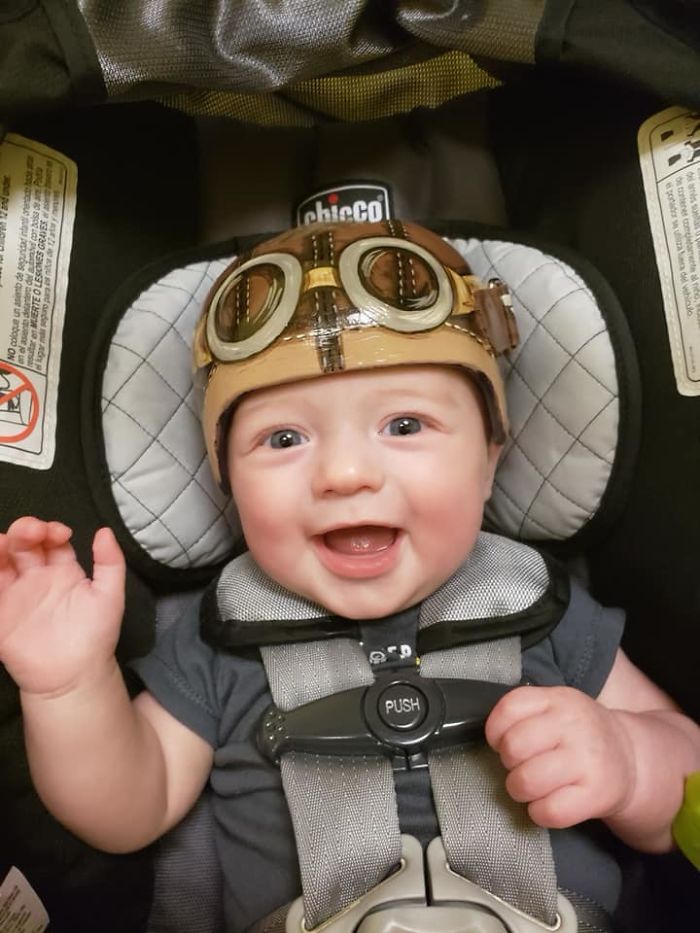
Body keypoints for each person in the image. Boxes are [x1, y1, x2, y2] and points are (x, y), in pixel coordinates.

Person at [0, 220, 698, 931]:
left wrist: (633, 763)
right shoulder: (220, 639)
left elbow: (690, 773)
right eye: (283, 438)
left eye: (404, 425)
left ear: (491, 459)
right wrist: (67, 683)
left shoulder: (541, 608)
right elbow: (130, 808)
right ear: (227, 484)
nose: (345, 473)